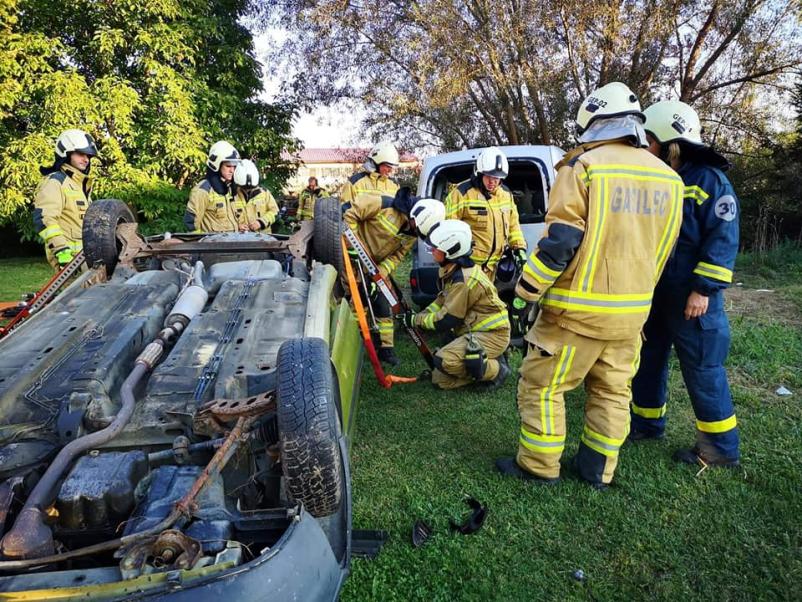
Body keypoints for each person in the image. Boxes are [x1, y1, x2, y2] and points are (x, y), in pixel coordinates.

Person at [495, 82, 684, 489]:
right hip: (631, 316)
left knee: (542, 386)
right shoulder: (670, 180)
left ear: (592, 122)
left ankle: (539, 466)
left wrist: (526, 292)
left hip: (574, 315)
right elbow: (663, 252)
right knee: (613, 393)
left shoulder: (584, 167)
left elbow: (560, 242)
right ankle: (598, 471)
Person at [629, 100, 740, 467]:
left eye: (649, 140)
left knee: (704, 370)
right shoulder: (661, 178)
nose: (645, 147)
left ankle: (719, 449)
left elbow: (723, 238)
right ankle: (646, 423)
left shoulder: (710, 181)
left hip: (692, 298)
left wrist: (702, 289)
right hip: (658, 293)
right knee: (649, 358)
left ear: (668, 142)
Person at [398, 220, 511, 390]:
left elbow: (446, 320)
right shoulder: (452, 269)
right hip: (475, 330)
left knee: (444, 361)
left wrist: (415, 321)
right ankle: (482, 361)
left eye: (435, 249)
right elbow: (441, 301)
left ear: (451, 251)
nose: (431, 251)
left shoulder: (463, 280)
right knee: (440, 380)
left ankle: (496, 370)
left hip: (493, 334)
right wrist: (418, 316)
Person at [342, 187, 419, 366]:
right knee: (357, 299)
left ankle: (386, 349)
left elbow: (397, 256)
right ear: (414, 216)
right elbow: (349, 215)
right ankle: (354, 344)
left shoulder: (412, 233)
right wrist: (353, 244)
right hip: (351, 257)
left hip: (374, 267)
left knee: (384, 300)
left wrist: (382, 273)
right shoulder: (383, 204)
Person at [444, 146, 527, 280]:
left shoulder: (506, 195)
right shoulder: (461, 193)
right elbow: (449, 229)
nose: (492, 181)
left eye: (497, 177)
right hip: (467, 269)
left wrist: (519, 248)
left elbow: (513, 226)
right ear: (480, 172)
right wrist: (458, 259)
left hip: (492, 269)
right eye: (488, 176)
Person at [34, 129, 98, 270]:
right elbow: (45, 219)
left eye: (88, 156)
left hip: (87, 259)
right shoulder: (55, 182)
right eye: (81, 154)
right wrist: (61, 251)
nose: (86, 159)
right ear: (66, 153)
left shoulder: (78, 185)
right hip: (70, 262)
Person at [184, 141, 241, 232]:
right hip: (213, 245)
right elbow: (191, 225)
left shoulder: (229, 188)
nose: (232, 170)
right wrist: (202, 244)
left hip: (232, 243)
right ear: (216, 164)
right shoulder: (203, 190)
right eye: (228, 166)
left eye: (234, 166)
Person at [233, 160, 279, 233]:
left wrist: (261, 222)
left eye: (250, 188)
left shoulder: (264, 193)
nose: (247, 190)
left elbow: (275, 212)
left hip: (263, 239)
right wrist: (236, 226)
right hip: (240, 239)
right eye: (244, 188)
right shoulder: (232, 195)